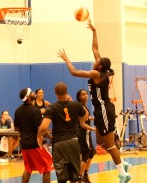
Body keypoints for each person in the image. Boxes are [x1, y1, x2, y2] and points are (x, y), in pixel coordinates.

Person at [57, 20, 131, 183]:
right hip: (99, 110)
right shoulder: (101, 69)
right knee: (100, 142)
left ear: (99, 66)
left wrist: (66, 58)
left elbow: (74, 72)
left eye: (97, 61)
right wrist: (94, 31)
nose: (95, 59)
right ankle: (123, 163)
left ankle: (123, 173)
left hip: (104, 109)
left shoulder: (96, 74)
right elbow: (95, 48)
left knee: (109, 144)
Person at [37, 82, 88, 183]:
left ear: (55, 93)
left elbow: (43, 127)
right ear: (67, 92)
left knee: (62, 178)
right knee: (75, 177)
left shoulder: (52, 108)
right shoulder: (76, 104)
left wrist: (39, 136)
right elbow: (85, 116)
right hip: (73, 142)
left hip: (59, 144)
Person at [14, 88, 54, 183]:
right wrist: (52, 138)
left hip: (25, 145)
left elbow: (16, 128)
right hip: (37, 144)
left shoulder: (18, 110)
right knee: (47, 167)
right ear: (28, 97)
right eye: (31, 93)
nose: (33, 93)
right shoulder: (35, 110)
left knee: (28, 169)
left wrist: (25, 133)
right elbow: (41, 128)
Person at [76, 89, 95, 183]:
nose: (85, 96)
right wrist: (95, 129)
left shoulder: (84, 107)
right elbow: (82, 123)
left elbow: (86, 118)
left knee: (92, 152)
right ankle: (79, 177)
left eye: (86, 94)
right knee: (85, 154)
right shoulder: (81, 107)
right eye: (83, 94)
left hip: (87, 133)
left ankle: (85, 174)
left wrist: (93, 118)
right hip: (84, 133)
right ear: (79, 97)